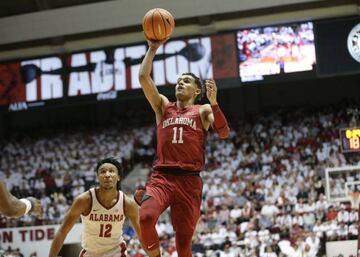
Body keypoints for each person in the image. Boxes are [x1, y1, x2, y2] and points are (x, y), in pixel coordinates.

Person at [137, 38, 230, 257]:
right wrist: (152, 49)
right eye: (179, 80)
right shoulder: (162, 106)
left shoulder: (202, 109)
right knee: (146, 217)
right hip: (162, 177)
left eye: (186, 81)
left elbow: (224, 132)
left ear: (197, 90)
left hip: (189, 181)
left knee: (183, 244)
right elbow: (143, 77)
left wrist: (214, 102)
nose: (180, 83)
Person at [49, 157, 149, 257]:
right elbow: (62, 232)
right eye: (103, 171)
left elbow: (142, 235)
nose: (107, 174)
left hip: (117, 253)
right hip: (90, 253)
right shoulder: (83, 200)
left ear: (118, 177)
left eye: (111, 171)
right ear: (97, 176)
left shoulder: (128, 203)